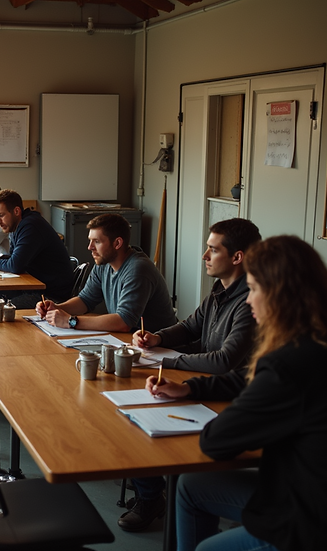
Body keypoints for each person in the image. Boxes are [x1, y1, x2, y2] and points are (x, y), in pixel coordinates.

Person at [151, 236, 327, 551]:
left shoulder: (289, 364)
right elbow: (249, 380)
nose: (248, 300)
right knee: (192, 486)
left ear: (280, 294)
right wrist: (190, 387)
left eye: (254, 289)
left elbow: (216, 441)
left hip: (323, 526)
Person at [117, 218, 261, 532]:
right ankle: (152, 495)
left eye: (213, 250)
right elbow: (190, 327)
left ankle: (155, 496)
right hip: (208, 386)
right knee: (135, 416)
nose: (204, 256)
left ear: (237, 257)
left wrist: (170, 362)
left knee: (155, 428)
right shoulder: (219, 291)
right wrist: (157, 338)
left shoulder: (251, 301)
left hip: (227, 398)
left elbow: (225, 361)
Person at [36, 213, 177, 333]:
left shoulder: (138, 269)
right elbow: (85, 300)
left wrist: (71, 321)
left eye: (97, 241)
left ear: (117, 243)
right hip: (130, 342)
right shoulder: (104, 263)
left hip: (161, 348)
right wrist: (56, 309)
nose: (90, 247)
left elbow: (124, 322)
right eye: (90, 241)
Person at [0, 189, 73, 311]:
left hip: (48, 296)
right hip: (32, 286)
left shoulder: (31, 226)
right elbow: (15, 258)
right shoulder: (16, 225)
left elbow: (15, 266)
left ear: (16, 211)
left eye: (1, 215)